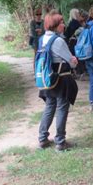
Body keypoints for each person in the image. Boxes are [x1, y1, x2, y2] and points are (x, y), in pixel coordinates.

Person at [38, 12, 78, 151]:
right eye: (61, 22)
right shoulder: (58, 41)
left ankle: (42, 139)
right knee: (61, 108)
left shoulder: (42, 39)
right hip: (61, 78)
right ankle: (60, 141)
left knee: (49, 107)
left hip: (48, 79)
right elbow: (71, 62)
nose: (64, 24)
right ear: (55, 25)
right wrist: (74, 61)